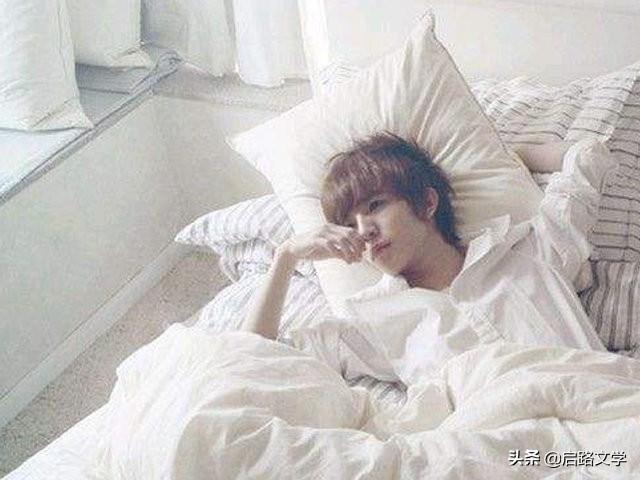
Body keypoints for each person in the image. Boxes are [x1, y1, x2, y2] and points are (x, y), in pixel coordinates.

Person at [240, 131, 615, 384]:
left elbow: (587, 154)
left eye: (376, 205)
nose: (364, 230)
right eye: (349, 224)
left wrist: (509, 155)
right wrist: (286, 257)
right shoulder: (372, 319)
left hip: (601, 425)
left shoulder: (532, 249)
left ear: (427, 202)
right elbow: (249, 360)